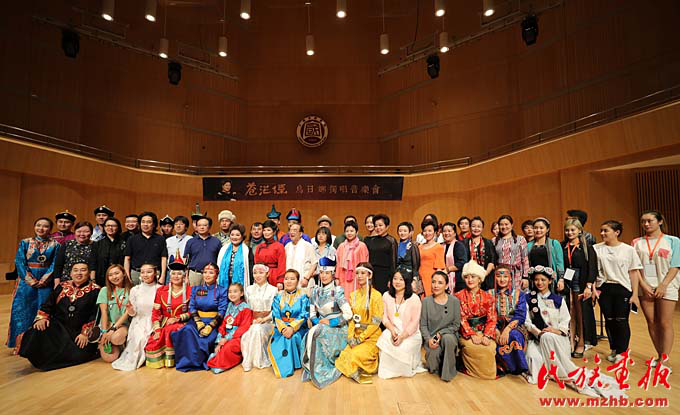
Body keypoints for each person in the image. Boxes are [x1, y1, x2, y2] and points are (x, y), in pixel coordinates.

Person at [525, 266, 626, 398]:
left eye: (543, 280)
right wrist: (539, 333)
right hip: (538, 339)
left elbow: (565, 320)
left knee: (548, 337)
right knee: (533, 358)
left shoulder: (558, 300)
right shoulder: (529, 299)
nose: (539, 283)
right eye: (537, 280)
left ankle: (563, 372)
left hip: (557, 338)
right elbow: (527, 322)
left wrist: (555, 331)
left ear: (550, 281)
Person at [18, 261, 99, 370]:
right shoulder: (62, 286)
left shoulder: (96, 290)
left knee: (80, 354)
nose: (79, 273)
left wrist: (85, 333)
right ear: (70, 273)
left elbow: (95, 313)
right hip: (59, 328)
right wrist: (42, 318)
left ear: (89, 273)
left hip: (78, 332)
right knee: (38, 328)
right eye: (75, 270)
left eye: (83, 270)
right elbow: (48, 305)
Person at [633, 210, 680, 370]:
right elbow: (635, 267)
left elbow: (676, 265)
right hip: (645, 287)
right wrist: (643, 285)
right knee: (652, 322)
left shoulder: (673, 241)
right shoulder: (637, 242)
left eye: (650, 221)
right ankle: (660, 355)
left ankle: (665, 360)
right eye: (643, 221)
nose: (646, 224)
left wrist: (663, 285)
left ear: (659, 222)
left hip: (667, 285)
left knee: (665, 322)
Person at [7, 217, 60, 349]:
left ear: (50, 229)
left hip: (46, 283)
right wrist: (31, 280)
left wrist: (44, 280)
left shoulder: (56, 245)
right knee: (22, 311)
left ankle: (39, 345)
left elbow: (55, 264)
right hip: (26, 283)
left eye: (45, 226)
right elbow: (20, 262)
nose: (41, 228)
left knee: (43, 311)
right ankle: (19, 344)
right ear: (34, 226)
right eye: (38, 225)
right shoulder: (25, 242)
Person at [593, 220, 642, 363]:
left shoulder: (628, 250)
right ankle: (614, 348)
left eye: (606, 230)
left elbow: (633, 272)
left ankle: (622, 351)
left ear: (617, 232)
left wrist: (635, 294)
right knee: (609, 320)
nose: (602, 233)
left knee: (621, 320)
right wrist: (594, 289)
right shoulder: (596, 248)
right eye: (601, 230)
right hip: (604, 287)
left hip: (623, 288)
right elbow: (593, 271)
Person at [301, 257, 352, 388]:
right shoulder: (315, 291)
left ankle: (319, 368)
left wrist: (331, 322)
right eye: (322, 273)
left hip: (338, 328)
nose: (324, 276)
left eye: (327, 273)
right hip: (321, 325)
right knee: (311, 333)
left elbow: (348, 314)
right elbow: (312, 314)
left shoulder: (338, 292)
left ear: (332, 274)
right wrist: (319, 322)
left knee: (315, 332)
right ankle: (311, 367)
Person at [172, 263, 229, 371]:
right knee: (186, 330)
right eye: (205, 272)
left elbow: (222, 311)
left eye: (211, 273)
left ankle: (200, 363)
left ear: (217, 275)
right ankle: (186, 363)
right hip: (196, 321)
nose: (207, 275)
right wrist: (198, 323)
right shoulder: (196, 289)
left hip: (213, 322)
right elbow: (192, 306)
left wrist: (210, 326)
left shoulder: (222, 290)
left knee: (206, 339)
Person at [335, 263, 384, 383]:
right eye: (357, 273)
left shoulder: (377, 296)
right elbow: (352, 319)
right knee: (343, 355)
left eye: (363, 273)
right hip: (356, 335)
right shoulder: (353, 295)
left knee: (353, 356)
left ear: (370, 275)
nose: (359, 276)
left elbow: (375, 323)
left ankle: (367, 368)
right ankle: (356, 368)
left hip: (371, 337)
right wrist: (351, 337)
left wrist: (360, 338)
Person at [144, 255, 192, 369]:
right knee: (153, 342)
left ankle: (175, 360)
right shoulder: (161, 291)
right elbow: (156, 313)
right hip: (164, 323)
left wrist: (178, 318)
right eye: (173, 273)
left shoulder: (190, 291)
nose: (176, 276)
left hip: (183, 323)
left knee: (171, 330)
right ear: (170, 275)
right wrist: (157, 329)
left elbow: (193, 311)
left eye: (179, 274)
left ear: (184, 275)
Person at [112, 263, 160, 370]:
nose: (145, 275)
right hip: (139, 321)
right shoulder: (135, 290)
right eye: (143, 272)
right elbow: (133, 314)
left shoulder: (160, 289)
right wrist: (130, 310)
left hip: (155, 321)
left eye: (149, 272)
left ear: (155, 273)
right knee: (139, 338)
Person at [377, 271, 425, 379]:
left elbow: (414, 322)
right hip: (393, 329)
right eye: (395, 278)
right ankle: (388, 370)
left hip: (410, 334)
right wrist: (392, 330)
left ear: (406, 281)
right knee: (385, 338)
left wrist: (402, 337)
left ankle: (402, 370)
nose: (397, 282)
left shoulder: (414, 298)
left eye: (401, 279)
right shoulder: (386, 296)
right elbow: (384, 317)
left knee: (403, 347)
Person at [563, 218, 598, 358]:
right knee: (569, 312)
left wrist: (589, 286)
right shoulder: (562, 246)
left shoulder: (587, 247)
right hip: (566, 282)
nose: (570, 232)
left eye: (573, 230)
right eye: (567, 230)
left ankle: (581, 342)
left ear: (579, 231)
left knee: (580, 313)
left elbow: (593, 268)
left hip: (580, 281)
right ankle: (571, 340)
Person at [455, 260, 497, 380]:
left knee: (489, 347)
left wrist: (486, 335)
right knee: (472, 347)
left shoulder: (488, 297)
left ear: (480, 279)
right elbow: (461, 319)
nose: (470, 280)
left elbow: (492, 319)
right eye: (467, 277)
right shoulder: (458, 296)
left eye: (473, 277)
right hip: (466, 332)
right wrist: (472, 334)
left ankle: (488, 374)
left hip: (484, 332)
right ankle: (470, 370)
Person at [267, 269, 310, 378]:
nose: (289, 281)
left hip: (299, 328)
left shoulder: (303, 296)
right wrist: (283, 329)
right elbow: (276, 315)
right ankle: (285, 366)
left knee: (293, 337)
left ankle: (295, 364)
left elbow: (304, 315)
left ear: (297, 281)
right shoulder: (278, 296)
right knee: (283, 338)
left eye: (292, 279)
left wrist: (292, 328)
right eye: (286, 279)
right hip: (281, 327)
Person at [420, 271, 461, 382]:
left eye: (440, 283)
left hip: (449, 335)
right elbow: (423, 325)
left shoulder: (454, 301)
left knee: (448, 339)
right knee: (433, 367)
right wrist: (429, 339)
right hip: (432, 338)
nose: (436, 285)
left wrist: (441, 333)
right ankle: (446, 360)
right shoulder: (426, 301)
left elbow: (456, 325)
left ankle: (448, 374)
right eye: (433, 282)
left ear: (446, 286)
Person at [488, 265, 528, 375]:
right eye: (498, 276)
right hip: (493, 325)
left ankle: (517, 368)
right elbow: (488, 315)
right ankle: (500, 366)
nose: (502, 279)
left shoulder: (519, 294)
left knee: (514, 336)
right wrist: (496, 330)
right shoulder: (489, 294)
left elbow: (520, 316)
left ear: (510, 278)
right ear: (494, 278)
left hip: (514, 325)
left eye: (505, 276)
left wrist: (507, 329)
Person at [207, 283, 253, 373]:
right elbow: (224, 323)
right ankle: (217, 360)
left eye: (235, 291)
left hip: (237, 336)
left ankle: (220, 363)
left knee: (227, 347)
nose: (232, 294)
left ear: (241, 293)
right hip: (226, 334)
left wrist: (227, 338)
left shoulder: (246, 308)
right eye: (230, 292)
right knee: (218, 346)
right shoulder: (229, 305)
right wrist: (220, 339)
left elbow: (244, 327)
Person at [241, 264, 278, 371]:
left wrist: (264, 319)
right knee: (251, 331)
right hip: (252, 321)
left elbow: (276, 310)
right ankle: (250, 360)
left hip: (268, 321)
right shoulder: (248, 289)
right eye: (255, 273)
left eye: (261, 273)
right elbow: (246, 308)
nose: (257, 275)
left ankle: (259, 360)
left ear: (267, 274)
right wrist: (251, 320)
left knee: (257, 329)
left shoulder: (274, 290)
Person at [97, 264, 133, 363]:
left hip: (123, 325)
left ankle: (120, 343)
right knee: (109, 359)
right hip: (107, 325)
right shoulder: (104, 290)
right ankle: (112, 344)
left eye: (117, 273)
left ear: (124, 274)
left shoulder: (132, 290)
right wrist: (104, 331)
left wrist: (113, 329)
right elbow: (104, 312)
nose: (114, 277)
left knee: (116, 338)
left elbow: (127, 313)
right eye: (110, 275)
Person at [124, 212, 168, 285]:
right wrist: (128, 277)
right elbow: (127, 259)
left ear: (154, 224)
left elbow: (163, 258)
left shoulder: (160, 239)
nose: (145, 224)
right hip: (136, 273)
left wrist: (162, 276)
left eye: (148, 222)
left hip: (154, 273)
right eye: (143, 222)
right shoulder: (132, 239)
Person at [528, 218, 565, 293]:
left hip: (550, 280)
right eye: (535, 228)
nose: (538, 230)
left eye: (541, 228)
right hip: (534, 281)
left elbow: (560, 263)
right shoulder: (528, 245)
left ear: (547, 229)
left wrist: (561, 279)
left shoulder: (554, 244)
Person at [494, 215, 530, 291]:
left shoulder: (520, 239)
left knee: (517, 295)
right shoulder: (494, 240)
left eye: (506, 224)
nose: (504, 227)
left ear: (512, 225)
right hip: (501, 275)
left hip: (517, 274)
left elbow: (525, 259)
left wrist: (525, 277)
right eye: (501, 225)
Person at [364, 213, 398, 294]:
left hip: (385, 275)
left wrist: (391, 279)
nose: (378, 228)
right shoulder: (371, 240)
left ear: (387, 226)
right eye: (376, 226)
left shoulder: (391, 241)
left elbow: (393, 262)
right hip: (372, 274)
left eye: (380, 225)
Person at [335, 221, 369, 301]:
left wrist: (363, 276)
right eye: (347, 231)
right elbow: (338, 263)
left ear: (356, 232)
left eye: (351, 231)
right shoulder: (341, 246)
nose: (349, 233)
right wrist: (337, 278)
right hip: (343, 277)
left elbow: (364, 264)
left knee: (357, 300)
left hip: (357, 277)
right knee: (344, 300)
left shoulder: (362, 246)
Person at [184, 216, 221, 286]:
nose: (202, 227)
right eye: (199, 225)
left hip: (211, 274)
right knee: (194, 292)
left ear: (209, 227)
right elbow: (186, 261)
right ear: (196, 227)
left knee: (210, 292)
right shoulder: (190, 241)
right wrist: (186, 277)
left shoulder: (216, 241)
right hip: (195, 274)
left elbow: (219, 260)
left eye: (204, 225)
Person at [89, 217, 126, 287]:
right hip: (101, 278)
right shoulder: (97, 243)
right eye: (108, 225)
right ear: (104, 227)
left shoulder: (123, 243)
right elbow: (93, 262)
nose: (110, 228)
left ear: (118, 227)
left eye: (113, 226)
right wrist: (92, 279)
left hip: (119, 278)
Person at [53, 221, 93, 285]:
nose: (82, 234)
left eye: (86, 232)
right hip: (67, 281)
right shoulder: (66, 244)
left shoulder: (95, 246)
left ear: (91, 233)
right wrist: (57, 282)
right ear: (74, 232)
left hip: (88, 282)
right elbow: (58, 265)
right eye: (79, 231)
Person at [463, 216, 497, 290]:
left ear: (482, 228)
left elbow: (492, 261)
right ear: (470, 227)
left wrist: (484, 274)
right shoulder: (463, 243)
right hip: (469, 280)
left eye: (479, 226)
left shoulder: (488, 243)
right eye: (473, 226)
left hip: (486, 278)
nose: (476, 229)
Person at [217, 223, 254, 289]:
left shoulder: (247, 250)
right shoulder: (223, 249)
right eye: (232, 235)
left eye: (237, 235)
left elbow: (250, 270)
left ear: (242, 236)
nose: (234, 237)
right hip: (225, 280)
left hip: (240, 283)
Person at [255, 220, 286, 290]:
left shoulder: (279, 246)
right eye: (264, 230)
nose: (266, 232)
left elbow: (282, 264)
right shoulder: (259, 246)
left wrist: (280, 281)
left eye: (268, 230)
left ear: (274, 232)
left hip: (274, 275)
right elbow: (256, 264)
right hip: (261, 275)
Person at [418, 220, 446, 297]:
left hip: (431, 279)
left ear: (435, 232)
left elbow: (439, 268)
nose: (427, 233)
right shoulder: (419, 247)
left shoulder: (438, 247)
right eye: (425, 231)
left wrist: (436, 283)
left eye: (430, 231)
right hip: (420, 279)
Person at [285, 223, 317, 288]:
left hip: (304, 281)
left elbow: (314, 263)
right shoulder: (287, 246)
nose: (292, 232)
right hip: (290, 283)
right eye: (290, 230)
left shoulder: (307, 246)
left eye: (295, 230)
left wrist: (306, 278)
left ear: (300, 234)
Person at [441, 222, 467, 293]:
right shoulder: (440, 246)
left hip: (457, 280)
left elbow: (462, 262)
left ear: (455, 233)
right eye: (444, 231)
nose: (446, 233)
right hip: (443, 278)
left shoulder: (459, 245)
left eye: (449, 231)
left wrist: (448, 270)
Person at [396, 222, 421, 293]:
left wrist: (414, 280)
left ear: (409, 232)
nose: (402, 233)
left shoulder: (413, 246)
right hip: (398, 276)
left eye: (405, 231)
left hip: (409, 276)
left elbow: (416, 264)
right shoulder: (396, 245)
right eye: (400, 231)